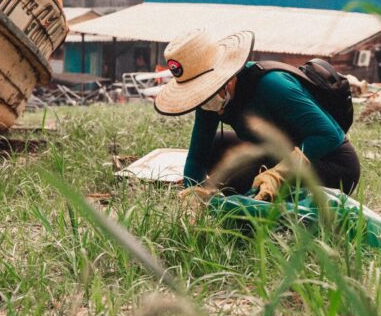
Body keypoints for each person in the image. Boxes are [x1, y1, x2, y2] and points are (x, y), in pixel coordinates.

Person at [154, 29, 361, 202]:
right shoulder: (208, 100)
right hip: (275, 151)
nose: (205, 101)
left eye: (207, 91)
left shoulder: (272, 85)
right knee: (217, 146)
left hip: (330, 163)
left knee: (242, 183)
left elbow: (327, 136)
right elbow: (198, 156)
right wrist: (195, 193)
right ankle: (248, 197)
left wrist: (280, 173)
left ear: (226, 79)